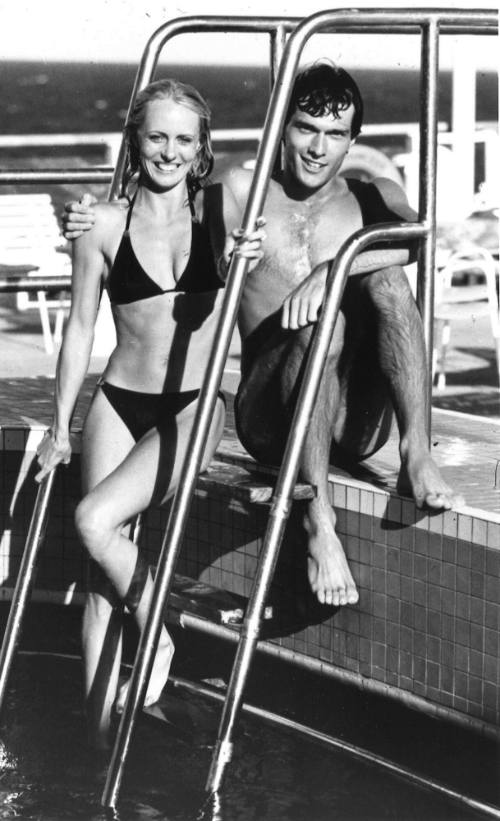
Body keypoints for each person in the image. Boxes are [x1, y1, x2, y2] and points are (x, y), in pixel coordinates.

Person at [62, 63, 463, 614]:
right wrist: (84, 214)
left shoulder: (375, 196)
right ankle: (319, 521)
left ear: (354, 140)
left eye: (336, 134)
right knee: (326, 326)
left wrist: (335, 269)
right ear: (281, 130)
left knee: (388, 280)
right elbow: (163, 204)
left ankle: (416, 448)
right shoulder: (243, 193)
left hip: (357, 416)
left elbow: (418, 239)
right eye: (305, 129)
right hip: (272, 410)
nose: (319, 148)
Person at [36, 78, 264, 749]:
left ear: (202, 151)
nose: (168, 150)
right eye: (156, 135)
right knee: (99, 575)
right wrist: (58, 427)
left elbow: (308, 192)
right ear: (135, 141)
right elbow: (80, 327)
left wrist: (251, 261)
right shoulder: (102, 223)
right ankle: (101, 736)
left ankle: (159, 636)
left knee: (92, 520)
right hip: (119, 400)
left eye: (183, 139)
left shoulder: (228, 208)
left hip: (194, 405)